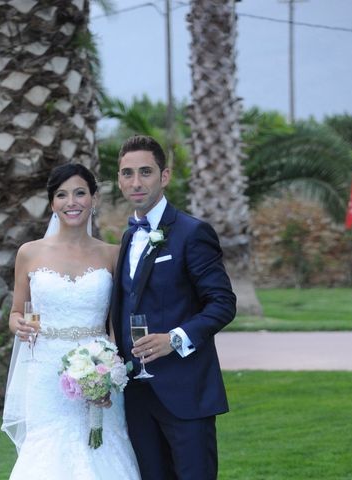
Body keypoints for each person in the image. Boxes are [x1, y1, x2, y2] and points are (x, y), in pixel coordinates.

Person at [2, 163, 140, 480]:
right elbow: (16, 313)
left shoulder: (112, 254)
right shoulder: (29, 253)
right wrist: (19, 325)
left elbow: (116, 322)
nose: (72, 202)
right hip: (45, 373)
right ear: (52, 203)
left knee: (102, 448)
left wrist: (110, 371)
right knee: (48, 453)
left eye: (80, 193)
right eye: (62, 195)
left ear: (93, 198)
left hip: (99, 368)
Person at [110, 135, 236, 480]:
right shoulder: (127, 237)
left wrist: (175, 339)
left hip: (186, 390)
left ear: (164, 176)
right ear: (119, 179)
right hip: (136, 392)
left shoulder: (193, 233)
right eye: (127, 173)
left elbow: (223, 303)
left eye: (145, 172)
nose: (136, 182)